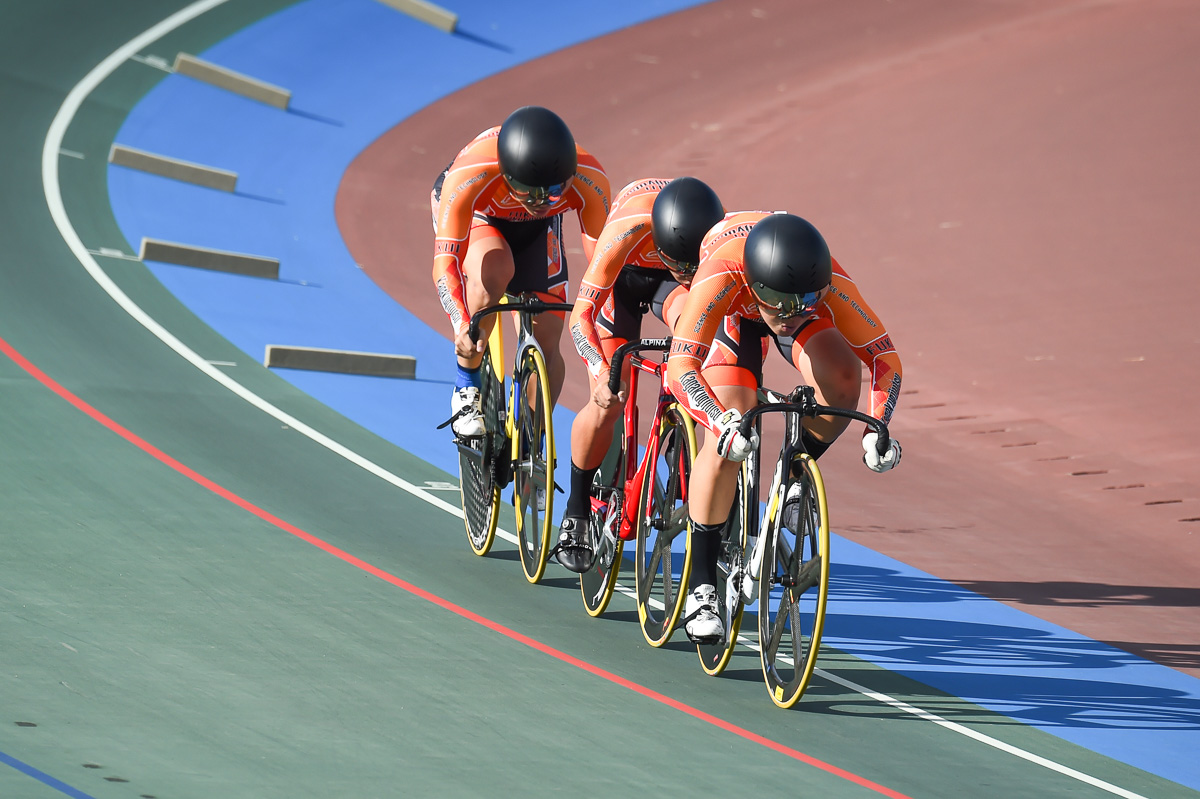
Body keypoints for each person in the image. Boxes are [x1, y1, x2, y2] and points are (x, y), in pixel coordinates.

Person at [665, 211, 903, 642]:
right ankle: (701, 587)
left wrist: (877, 428)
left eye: (803, 305)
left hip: (786, 292)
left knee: (844, 379)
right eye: (781, 306)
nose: (790, 317)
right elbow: (680, 367)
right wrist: (720, 421)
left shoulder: (825, 284)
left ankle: (794, 475)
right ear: (757, 286)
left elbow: (884, 360)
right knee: (728, 429)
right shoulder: (722, 274)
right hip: (733, 316)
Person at [552, 177, 725, 572]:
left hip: (669, 287)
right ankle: (576, 506)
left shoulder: (715, 236)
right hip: (623, 278)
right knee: (612, 397)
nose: (686, 271)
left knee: (693, 339)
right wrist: (600, 373)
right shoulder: (626, 230)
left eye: (692, 265)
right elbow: (581, 318)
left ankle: (677, 435)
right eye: (679, 263)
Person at [432, 105, 611, 438]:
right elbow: (445, 264)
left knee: (548, 338)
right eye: (528, 192)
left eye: (554, 192)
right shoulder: (473, 172)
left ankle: (532, 442)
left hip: (536, 231)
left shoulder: (589, 177)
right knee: (494, 273)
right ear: (506, 175)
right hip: (480, 214)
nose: (541, 200)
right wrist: (460, 324)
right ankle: (466, 386)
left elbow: (604, 267)